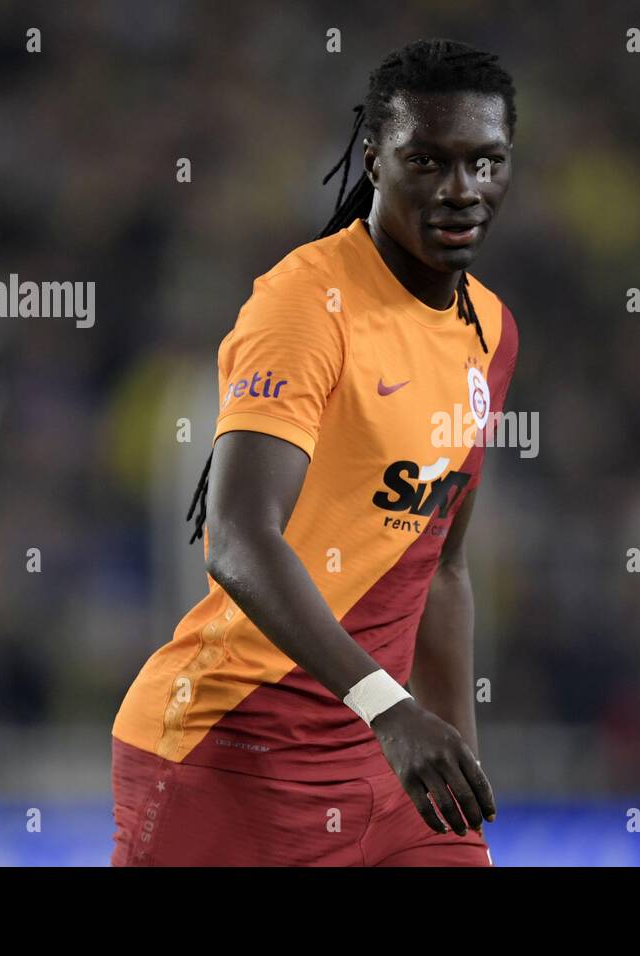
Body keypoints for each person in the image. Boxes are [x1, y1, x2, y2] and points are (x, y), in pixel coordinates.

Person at [110, 37, 520, 866]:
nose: (460, 190)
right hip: (236, 755)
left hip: (393, 769)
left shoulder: (493, 330)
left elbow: (441, 565)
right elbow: (238, 539)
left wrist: (455, 756)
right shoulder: (306, 305)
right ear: (373, 161)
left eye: (486, 163)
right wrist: (388, 707)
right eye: (427, 161)